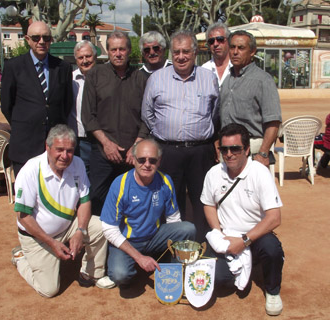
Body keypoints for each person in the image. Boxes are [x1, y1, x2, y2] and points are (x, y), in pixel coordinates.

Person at [11, 124, 114, 298]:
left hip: (68, 227)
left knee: (101, 227)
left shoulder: (78, 164)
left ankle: (90, 274)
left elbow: (85, 201)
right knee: (49, 290)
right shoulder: (30, 170)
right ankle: (20, 257)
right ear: (47, 147)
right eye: (59, 150)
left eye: (70, 151)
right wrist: (51, 242)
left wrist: (80, 230)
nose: (65, 156)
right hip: (39, 237)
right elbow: (23, 217)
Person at [142, 29, 219, 241]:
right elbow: (147, 114)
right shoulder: (157, 79)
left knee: (203, 200)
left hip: (200, 152)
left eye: (186, 51)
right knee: (169, 201)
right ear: (171, 54)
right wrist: (164, 133)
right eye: (176, 52)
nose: (181, 56)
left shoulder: (208, 78)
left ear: (195, 53)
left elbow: (215, 113)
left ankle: (203, 247)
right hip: (168, 152)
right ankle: (171, 250)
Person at [201, 123, 284, 316]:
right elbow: (208, 204)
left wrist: (244, 241)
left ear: (246, 150)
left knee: (272, 249)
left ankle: (273, 291)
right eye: (224, 149)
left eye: (235, 148)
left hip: (255, 236)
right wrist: (218, 233)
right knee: (221, 281)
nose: (229, 154)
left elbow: (274, 218)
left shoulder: (260, 173)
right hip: (228, 237)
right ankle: (247, 263)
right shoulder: (214, 173)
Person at [100, 139, 196, 287]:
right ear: (133, 159)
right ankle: (134, 265)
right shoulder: (120, 184)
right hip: (128, 241)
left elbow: (173, 218)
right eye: (141, 159)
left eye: (152, 160)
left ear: (159, 161)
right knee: (120, 275)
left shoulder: (165, 181)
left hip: (154, 237)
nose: (147, 164)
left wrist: (172, 247)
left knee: (187, 229)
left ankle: (174, 269)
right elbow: (109, 229)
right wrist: (139, 258)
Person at [81, 31, 149, 216]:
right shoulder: (95, 75)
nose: (118, 53)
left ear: (129, 51)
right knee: (96, 199)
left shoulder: (141, 78)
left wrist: (136, 146)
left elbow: (148, 117)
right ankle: (99, 242)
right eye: (113, 49)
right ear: (108, 51)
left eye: (122, 49)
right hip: (103, 153)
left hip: (131, 156)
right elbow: (88, 116)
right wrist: (106, 144)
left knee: (133, 201)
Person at [1, 21, 73, 176]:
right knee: (27, 196)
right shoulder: (13, 66)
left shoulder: (63, 67)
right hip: (25, 143)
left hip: (56, 145)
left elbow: (66, 103)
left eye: (46, 38)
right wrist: (26, 121)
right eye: (36, 38)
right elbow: (7, 103)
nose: (41, 42)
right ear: (27, 39)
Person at [220, 30, 282, 167]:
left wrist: (263, 153)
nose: (235, 52)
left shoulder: (263, 80)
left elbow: (273, 121)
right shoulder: (227, 80)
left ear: (252, 51)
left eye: (241, 48)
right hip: (227, 151)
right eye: (232, 47)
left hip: (252, 150)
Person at [67, 40, 97, 174]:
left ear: (95, 56)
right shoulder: (70, 80)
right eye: (80, 57)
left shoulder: (105, 78)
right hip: (79, 138)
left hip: (101, 138)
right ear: (76, 60)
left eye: (88, 56)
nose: (85, 60)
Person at [202, 22, 232, 89]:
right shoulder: (204, 70)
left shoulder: (237, 68)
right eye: (211, 41)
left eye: (220, 39)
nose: (215, 44)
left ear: (229, 40)